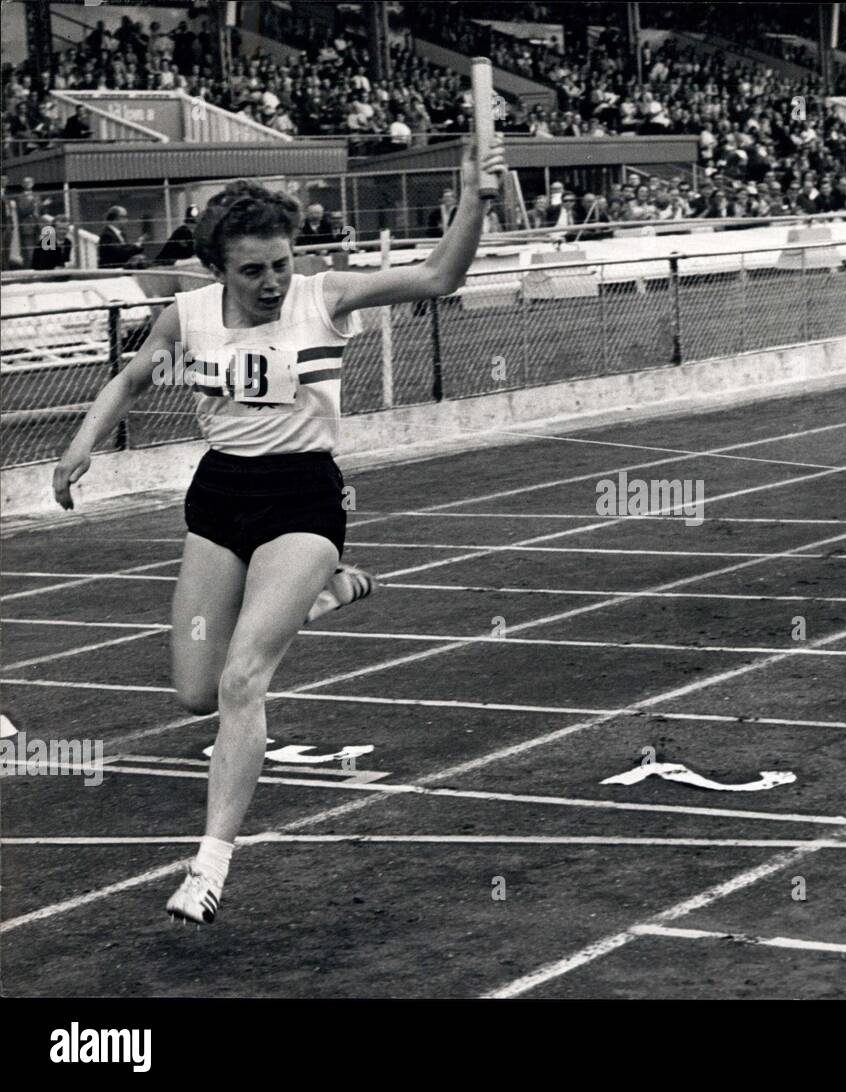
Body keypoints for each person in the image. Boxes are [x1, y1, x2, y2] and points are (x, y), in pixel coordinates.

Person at [51, 137, 508, 926]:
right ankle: (323, 596)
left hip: (303, 498)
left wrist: (473, 199)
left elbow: (441, 276)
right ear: (217, 270)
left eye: (279, 265)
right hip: (221, 496)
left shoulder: (322, 298)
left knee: (242, 682)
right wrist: (81, 443)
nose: (270, 283)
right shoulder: (187, 315)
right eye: (252, 270)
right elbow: (131, 377)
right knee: (196, 693)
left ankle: (210, 865)